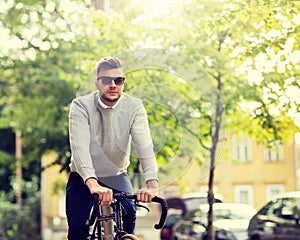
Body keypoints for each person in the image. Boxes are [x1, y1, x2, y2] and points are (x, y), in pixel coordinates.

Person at [66, 56, 159, 240]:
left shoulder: (134, 107)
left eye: (119, 80)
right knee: (77, 228)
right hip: (83, 178)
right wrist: (92, 183)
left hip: (116, 175)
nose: (113, 85)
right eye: (107, 80)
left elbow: (144, 146)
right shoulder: (81, 106)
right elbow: (79, 148)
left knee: (129, 217)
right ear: (97, 84)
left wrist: (152, 185)